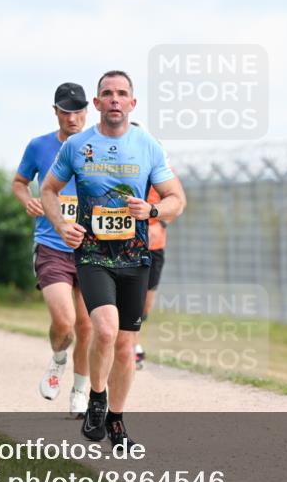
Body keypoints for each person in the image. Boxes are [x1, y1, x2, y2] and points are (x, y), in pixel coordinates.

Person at [42, 70, 186, 449]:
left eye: (122, 93)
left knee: (124, 346)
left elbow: (177, 199)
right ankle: (97, 398)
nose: (115, 99)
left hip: (135, 256)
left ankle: (117, 421)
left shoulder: (148, 146)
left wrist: (151, 212)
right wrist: (60, 226)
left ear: (132, 103)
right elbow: (49, 190)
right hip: (91, 254)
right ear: (97, 103)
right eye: (108, 93)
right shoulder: (76, 146)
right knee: (104, 330)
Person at [13, 82, 94, 418]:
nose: (73, 117)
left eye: (78, 111)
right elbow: (19, 182)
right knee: (65, 321)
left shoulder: (99, 147)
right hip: (51, 245)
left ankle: (80, 390)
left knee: (87, 326)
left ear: (86, 112)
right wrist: (28, 199)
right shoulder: (39, 146)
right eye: (66, 111)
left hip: (91, 247)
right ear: (56, 112)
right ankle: (58, 359)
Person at [133, 184, 167, 369]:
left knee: (145, 304)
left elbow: (177, 201)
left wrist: (161, 224)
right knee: (129, 298)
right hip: (127, 243)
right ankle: (131, 344)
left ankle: (129, 341)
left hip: (154, 246)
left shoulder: (164, 168)